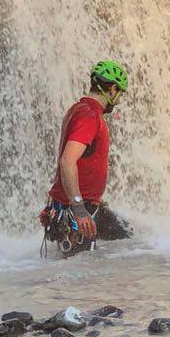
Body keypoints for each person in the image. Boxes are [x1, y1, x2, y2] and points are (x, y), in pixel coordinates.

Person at [41, 61, 133, 256]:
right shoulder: (89, 116)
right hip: (77, 211)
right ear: (112, 89)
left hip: (82, 206)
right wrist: (79, 209)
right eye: (120, 94)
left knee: (125, 237)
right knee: (79, 274)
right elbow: (67, 161)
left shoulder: (78, 109)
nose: (118, 101)